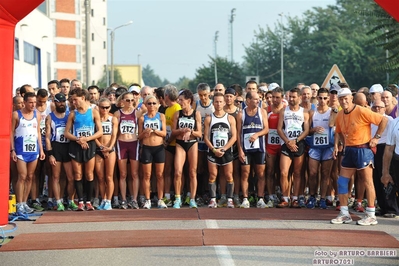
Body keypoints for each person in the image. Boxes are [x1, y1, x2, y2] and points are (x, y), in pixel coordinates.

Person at [331, 88, 388, 225]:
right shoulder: (339, 115)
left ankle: (371, 214)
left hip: (363, 149)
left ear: (351, 98)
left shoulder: (361, 111)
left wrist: (376, 138)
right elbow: (338, 132)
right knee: (342, 181)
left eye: (346, 98)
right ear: (338, 100)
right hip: (349, 150)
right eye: (341, 99)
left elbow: (383, 120)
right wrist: (338, 146)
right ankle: (344, 213)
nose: (344, 101)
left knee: (367, 181)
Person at [64, 88, 103, 211]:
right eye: (72, 100)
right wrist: (78, 139)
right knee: (78, 174)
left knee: (89, 173)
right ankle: (80, 201)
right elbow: (66, 133)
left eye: (75, 99)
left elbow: (100, 131)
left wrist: (87, 139)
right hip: (76, 146)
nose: (73, 102)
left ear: (83, 98)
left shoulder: (93, 112)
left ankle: (88, 201)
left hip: (89, 145)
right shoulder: (73, 114)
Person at [11, 92, 45, 214]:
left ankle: (25, 203)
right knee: (22, 176)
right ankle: (19, 204)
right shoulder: (16, 115)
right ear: (24, 102)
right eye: (30, 102)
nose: (33, 105)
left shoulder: (37, 114)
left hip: (33, 150)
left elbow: (38, 133)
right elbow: (11, 133)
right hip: (20, 150)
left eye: (34, 102)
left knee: (31, 177)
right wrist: (12, 149)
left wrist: (41, 149)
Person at [277, 87, 310, 208]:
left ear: (300, 98)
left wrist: (295, 141)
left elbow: (306, 130)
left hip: (299, 143)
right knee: (283, 172)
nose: (291, 99)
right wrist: (288, 142)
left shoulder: (304, 112)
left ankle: (295, 198)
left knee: (297, 173)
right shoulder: (283, 111)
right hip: (286, 144)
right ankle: (285, 197)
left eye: (293, 97)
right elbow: (279, 129)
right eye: (289, 96)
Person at [236, 91, 269, 208]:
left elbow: (266, 129)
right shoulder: (241, 114)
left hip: (259, 148)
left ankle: (260, 198)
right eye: (255, 99)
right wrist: (240, 150)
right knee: (245, 173)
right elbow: (238, 134)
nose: (258, 101)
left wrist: (257, 135)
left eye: (259, 99)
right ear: (248, 100)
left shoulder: (262, 112)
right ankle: (245, 199)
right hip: (246, 149)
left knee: (260, 173)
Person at [204, 92, 237, 208]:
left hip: (226, 151)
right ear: (213, 103)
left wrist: (224, 149)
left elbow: (234, 137)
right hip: (213, 151)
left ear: (224, 103)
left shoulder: (230, 118)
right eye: (216, 102)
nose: (218, 104)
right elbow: (206, 137)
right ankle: (213, 199)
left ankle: (229, 199)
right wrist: (214, 150)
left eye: (220, 101)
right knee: (213, 175)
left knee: (228, 175)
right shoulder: (209, 118)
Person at [45, 93, 77, 211]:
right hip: (56, 147)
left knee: (70, 176)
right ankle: (58, 201)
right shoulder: (50, 117)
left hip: (68, 147)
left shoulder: (70, 115)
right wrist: (50, 154)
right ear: (55, 102)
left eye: (63, 102)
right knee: (56, 176)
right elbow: (47, 137)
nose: (62, 104)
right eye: (59, 102)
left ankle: (70, 200)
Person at [306, 88, 337, 209]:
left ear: (328, 99)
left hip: (328, 146)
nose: (323, 100)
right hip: (315, 146)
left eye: (325, 98)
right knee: (313, 173)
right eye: (320, 98)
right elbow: (306, 130)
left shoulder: (331, 112)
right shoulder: (312, 113)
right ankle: (312, 196)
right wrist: (313, 130)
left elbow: (333, 126)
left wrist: (334, 114)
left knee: (325, 174)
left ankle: (323, 198)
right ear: (317, 98)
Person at [171, 89, 202, 208]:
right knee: (178, 171)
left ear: (189, 101)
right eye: (179, 100)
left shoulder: (196, 114)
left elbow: (200, 133)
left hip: (192, 143)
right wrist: (182, 130)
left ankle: (192, 199)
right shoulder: (177, 114)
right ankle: (178, 198)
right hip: (180, 143)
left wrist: (191, 131)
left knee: (192, 172)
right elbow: (173, 131)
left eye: (181, 100)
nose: (179, 102)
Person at [138, 95, 167, 209]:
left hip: (159, 147)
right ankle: (148, 200)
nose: (152, 106)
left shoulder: (161, 116)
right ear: (145, 104)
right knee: (147, 175)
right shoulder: (142, 118)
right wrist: (145, 132)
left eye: (154, 103)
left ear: (158, 104)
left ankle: (160, 199)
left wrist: (155, 131)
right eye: (149, 103)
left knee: (160, 175)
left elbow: (164, 133)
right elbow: (139, 137)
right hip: (147, 148)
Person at [113, 92, 140, 209]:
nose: (130, 103)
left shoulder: (137, 113)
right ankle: (123, 199)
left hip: (134, 143)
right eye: (127, 100)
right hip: (121, 143)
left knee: (134, 173)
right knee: (123, 174)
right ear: (122, 101)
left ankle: (134, 199)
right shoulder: (117, 114)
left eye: (132, 100)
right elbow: (115, 132)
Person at [192, 83, 214, 205]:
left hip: (210, 141)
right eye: (200, 95)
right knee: (199, 167)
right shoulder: (196, 105)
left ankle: (208, 192)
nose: (203, 98)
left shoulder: (213, 106)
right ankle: (199, 193)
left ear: (209, 94)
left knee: (209, 167)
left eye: (205, 95)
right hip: (199, 141)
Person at [94, 98, 118, 210]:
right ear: (98, 107)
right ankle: (103, 199)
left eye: (107, 107)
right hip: (99, 149)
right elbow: (93, 135)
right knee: (100, 177)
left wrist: (109, 148)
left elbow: (114, 135)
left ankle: (109, 200)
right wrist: (101, 147)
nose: (104, 109)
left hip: (110, 149)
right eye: (102, 107)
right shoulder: (95, 119)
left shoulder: (113, 119)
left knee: (109, 176)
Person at [265, 87, 285, 207]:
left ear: (282, 98)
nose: (275, 100)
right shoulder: (266, 111)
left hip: (282, 145)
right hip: (270, 146)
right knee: (270, 171)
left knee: (284, 172)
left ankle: (284, 194)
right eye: (273, 97)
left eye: (278, 97)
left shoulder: (286, 111)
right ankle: (271, 195)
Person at [223, 87, 241, 207]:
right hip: (221, 145)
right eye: (227, 96)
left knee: (236, 172)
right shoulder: (219, 110)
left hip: (235, 144)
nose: (229, 98)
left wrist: (240, 148)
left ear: (235, 97)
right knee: (223, 173)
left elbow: (239, 132)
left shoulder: (239, 111)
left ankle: (236, 195)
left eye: (231, 96)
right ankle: (224, 196)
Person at [163, 84, 181, 206]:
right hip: (168, 143)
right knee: (167, 170)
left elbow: (176, 129)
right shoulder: (167, 109)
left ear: (167, 96)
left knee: (178, 171)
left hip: (177, 143)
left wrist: (169, 140)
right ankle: (167, 196)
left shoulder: (177, 108)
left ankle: (178, 195)